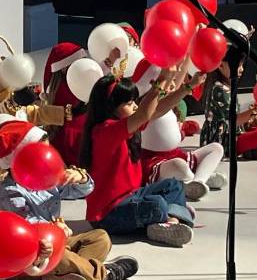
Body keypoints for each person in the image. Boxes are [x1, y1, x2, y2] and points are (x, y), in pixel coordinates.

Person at [0, 120, 139, 280]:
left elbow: (83, 190)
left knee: (100, 238)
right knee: (62, 257)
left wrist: (79, 177)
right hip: (29, 261)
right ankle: (105, 275)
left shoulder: (46, 177)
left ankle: (62, 277)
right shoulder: (10, 190)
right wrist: (55, 230)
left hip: (56, 243)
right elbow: (28, 225)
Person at [79, 74, 195, 247]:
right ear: (111, 107)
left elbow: (158, 110)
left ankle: (170, 221)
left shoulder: (125, 125)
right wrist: (162, 80)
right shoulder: (105, 131)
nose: (134, 106)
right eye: (128, 103)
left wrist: (189, 86)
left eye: (134, 101)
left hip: (132, 196)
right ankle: (172, 215)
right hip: (108, 215)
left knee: (174, 185)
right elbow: (144, 114)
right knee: (158, 204)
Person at [132, 60, 226, 200]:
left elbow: (179, 77)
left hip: (175, 153)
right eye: (166, 81)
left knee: (216, 148)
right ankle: (194, 178)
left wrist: (187, 54)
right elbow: (162, 107)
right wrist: (189, 86)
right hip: (155, 161)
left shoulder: (166, 98)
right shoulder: (144, 107)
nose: (172, 84)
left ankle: (198, 180)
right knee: (179, 165)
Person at [43, 43, 91, 166]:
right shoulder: (67, 89)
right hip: (74, 140)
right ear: (65, 68)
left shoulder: (58, 88)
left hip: (67, 139)